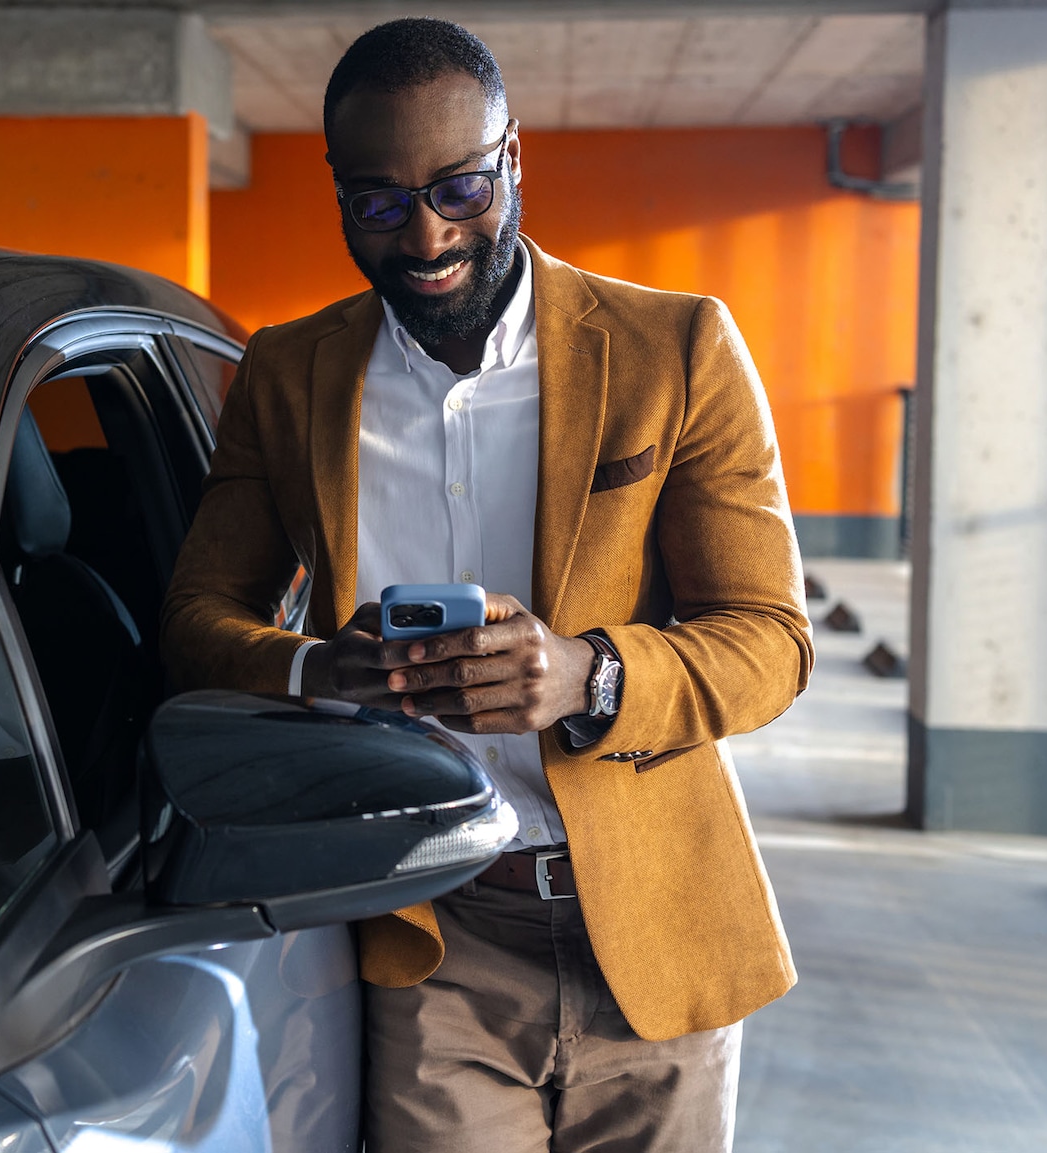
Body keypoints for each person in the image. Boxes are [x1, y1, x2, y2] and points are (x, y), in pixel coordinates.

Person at [159, 17, 812, 1153]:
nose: (425, 237)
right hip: (428, 934)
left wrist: (585, 675)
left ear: (513, 158)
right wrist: (319, 670)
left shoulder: (674, 350)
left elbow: (770, 641)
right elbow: (197, 619)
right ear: (338, 192)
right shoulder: (289, 374)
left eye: (460, 189)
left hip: (654, 923)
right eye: (378, 202)